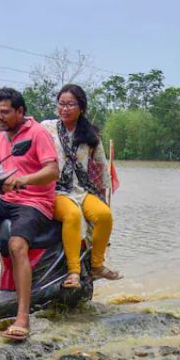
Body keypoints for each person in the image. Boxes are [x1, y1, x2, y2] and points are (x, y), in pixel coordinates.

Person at [0, 87, 59, 341]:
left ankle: (23, 317)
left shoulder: (38, 134)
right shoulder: (1, 138)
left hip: (35, 202)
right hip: (5, 199)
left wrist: (23, 180)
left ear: (20, 111)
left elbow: (52, 171)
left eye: (4, 112)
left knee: (16, 245)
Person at [41, 84, 120, 289]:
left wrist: (104, 191)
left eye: (70, 104)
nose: (65, 109)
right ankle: (73, 271)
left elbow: (102, 166)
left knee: (104, 215)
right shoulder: (46, 128)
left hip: (81, 189)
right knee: (72, 215)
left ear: (81, 108)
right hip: (55, 189)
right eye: (61, 104)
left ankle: (96, 264)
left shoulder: (90, 134)